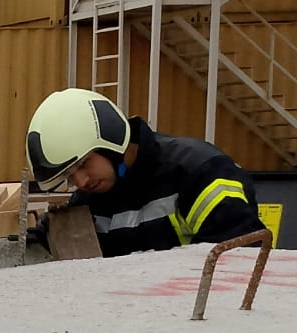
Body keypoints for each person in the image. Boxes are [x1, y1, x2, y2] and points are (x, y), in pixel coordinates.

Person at [26, 88, 264, 256]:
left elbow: (239, 265)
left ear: (112, 140)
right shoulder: (88, 204)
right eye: (69, 176)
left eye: (84, 164)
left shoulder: (202, 174)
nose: (81, 181)